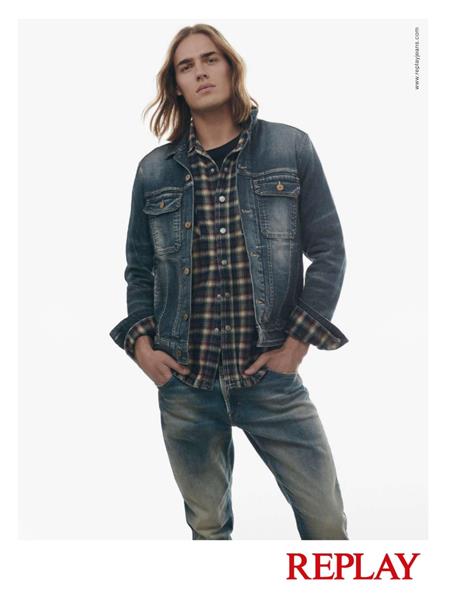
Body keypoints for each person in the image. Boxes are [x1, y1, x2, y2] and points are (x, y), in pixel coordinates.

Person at [110, 23, 350, 540]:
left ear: (231, 67)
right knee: (208, 529)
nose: (200, 71)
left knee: (326, 523)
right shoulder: (154, 171)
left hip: (270, 380)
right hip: (186, 386)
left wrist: (296, 345)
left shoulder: (289, 147)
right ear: (176, 85)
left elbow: (329, 251)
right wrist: (143, 348)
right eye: (186, 65)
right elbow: (138, 268)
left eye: (210, 59)